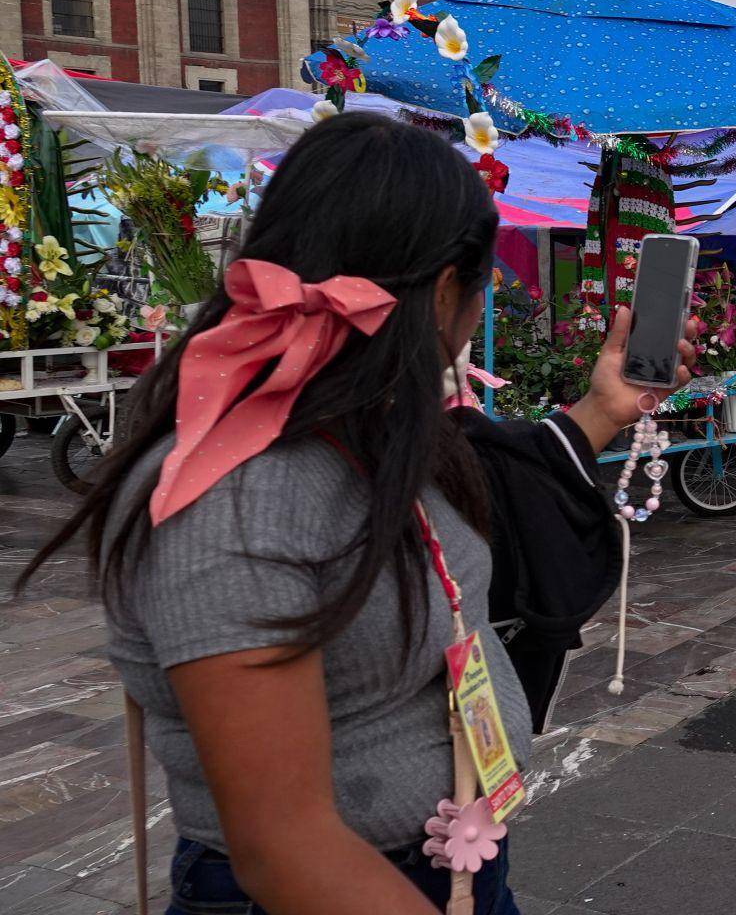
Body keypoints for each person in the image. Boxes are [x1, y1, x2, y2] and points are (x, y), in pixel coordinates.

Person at [18, 114, 690, 914]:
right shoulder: (237, 498)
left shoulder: (368, 426)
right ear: (446, 289)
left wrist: (603, 409)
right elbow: (288, 851)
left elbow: (493, 486)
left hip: (449, 864)